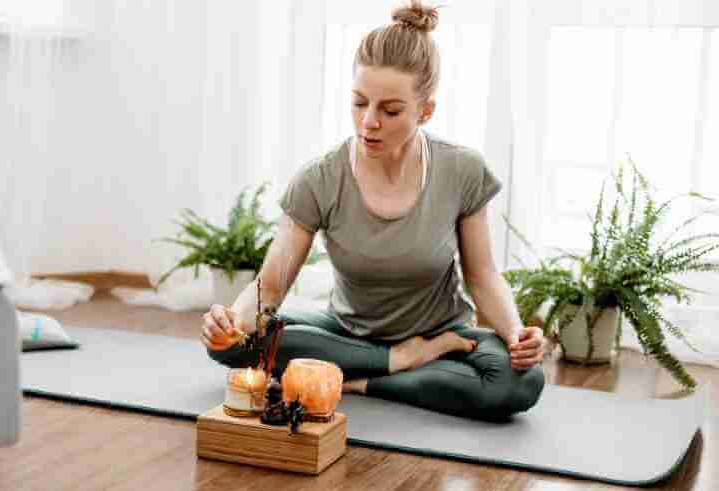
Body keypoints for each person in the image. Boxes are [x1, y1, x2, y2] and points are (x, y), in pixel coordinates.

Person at [201, 0, 547, 421]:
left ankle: (362, 380)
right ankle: (398, 363)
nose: (368, 122)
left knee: (521, 382)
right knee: (235, 344)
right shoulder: (319, 179)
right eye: (359, 103)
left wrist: (515, 335)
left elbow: (483, 276)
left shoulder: (462, 170)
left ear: (425, 111)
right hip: (345, 333)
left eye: (390, 110)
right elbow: (270, 286)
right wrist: (229, 321)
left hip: (443, 334)